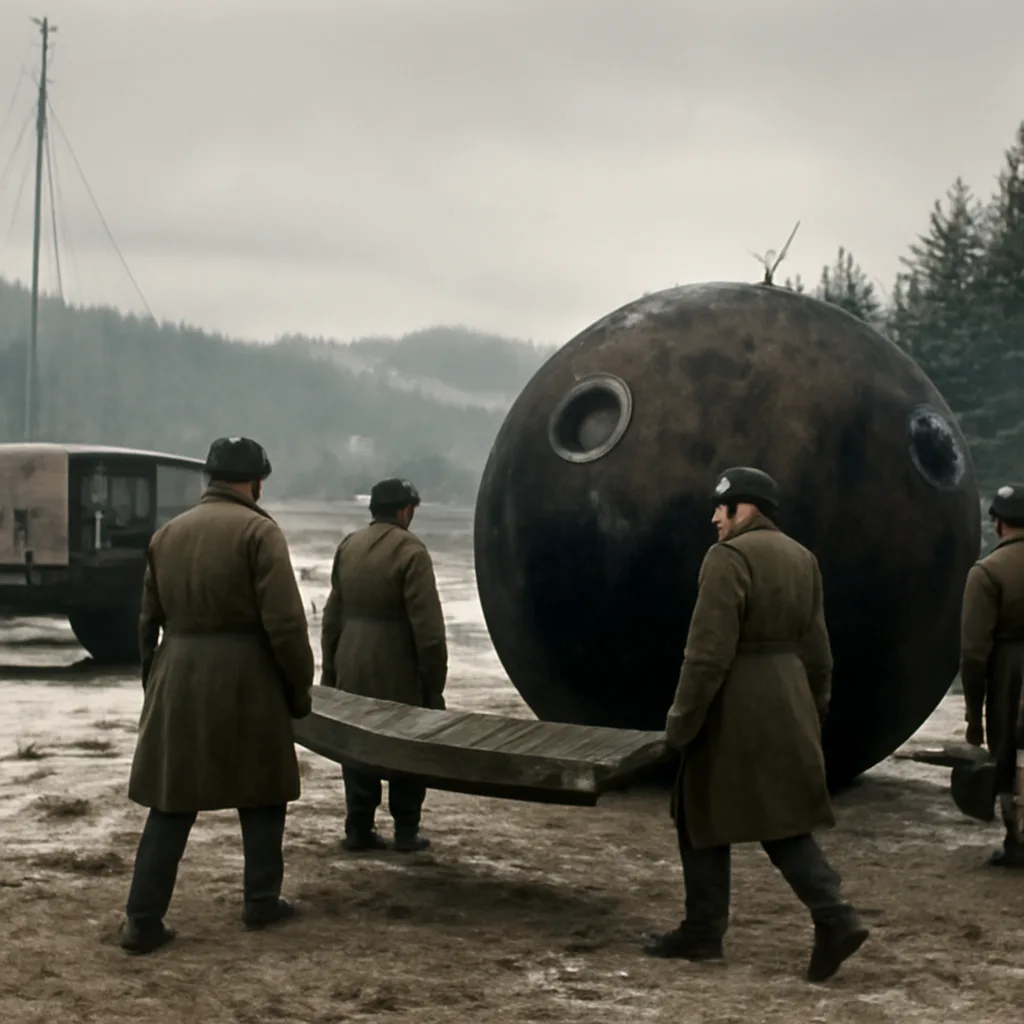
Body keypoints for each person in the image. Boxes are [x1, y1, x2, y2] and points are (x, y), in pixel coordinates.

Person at [643, 466, 869, 983]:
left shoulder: (728, 559)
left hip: (734, 703)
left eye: (720, 509)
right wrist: (813, 710)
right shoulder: (802, 559)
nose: (713, 519)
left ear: (743, 508)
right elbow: (819, 653)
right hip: (789, 700)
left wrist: (681, 723)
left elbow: (706, 655)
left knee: (696, 806)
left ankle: (703, 931)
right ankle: (835, 914)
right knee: (783, 819)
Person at [120, 437, 315, 955]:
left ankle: (142, 919)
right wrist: (299, 688)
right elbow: (286, 625)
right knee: (263, 792)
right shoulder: (259, 532)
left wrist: (155, 684)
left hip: (178, 674)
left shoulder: (167, 535)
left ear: (210, 478)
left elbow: (146, 625)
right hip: (247, 675)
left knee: (170, 801)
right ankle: (260, 900)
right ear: (256, 481)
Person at [320, 477, 447, 853]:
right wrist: (433, 684)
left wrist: (330, 671)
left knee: (357, 744)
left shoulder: (349, 546)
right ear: (406, 510)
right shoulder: (412, 551)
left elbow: (331, 617)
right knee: (406, 743)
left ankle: (358, 828)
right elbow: (428, 630)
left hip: (351, 659)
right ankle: (406, 830)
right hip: (397, 662)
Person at [960, 482, 1024, 868]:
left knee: (1010, 752)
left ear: (998, 524)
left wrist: (973, 715)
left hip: (1011, 671)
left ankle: (1018, 840)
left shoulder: (987, 573)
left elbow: (973, 653)